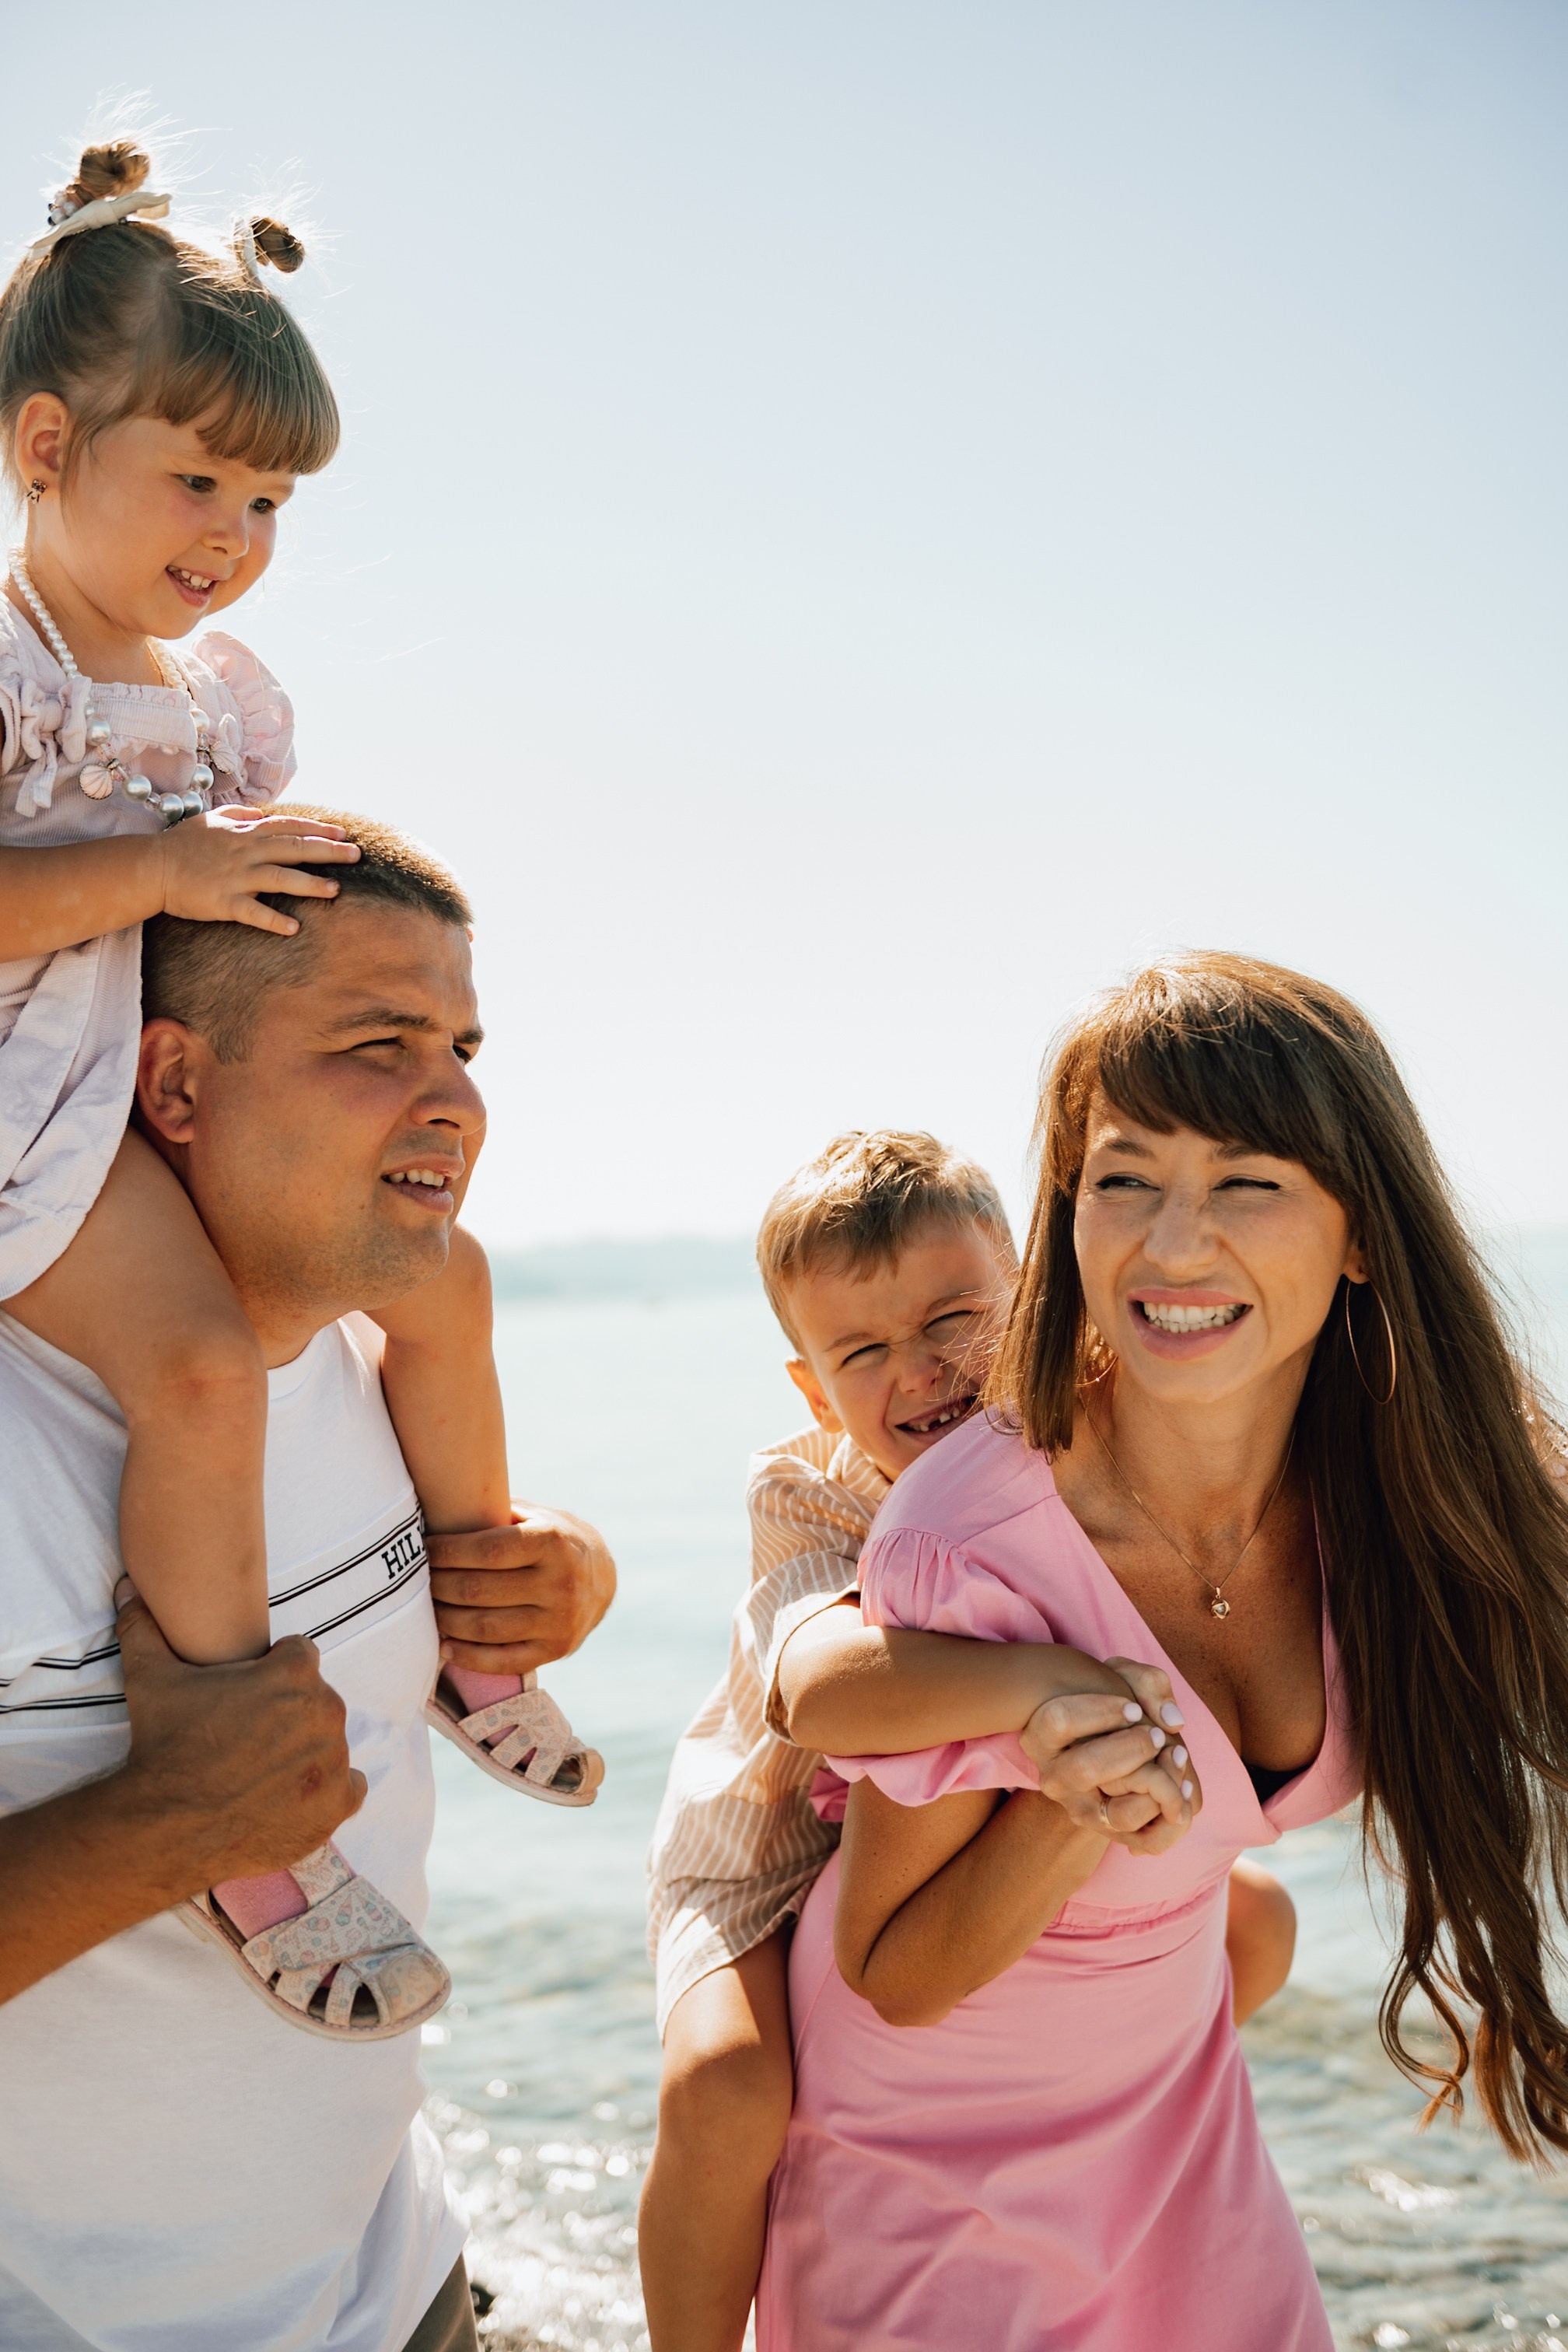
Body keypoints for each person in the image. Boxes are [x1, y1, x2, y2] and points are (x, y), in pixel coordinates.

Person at [0, 133, 598, 2041]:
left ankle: (472, 1623)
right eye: (199, 478)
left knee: (445, 1279)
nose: (236, 528)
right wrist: (165, 871)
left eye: (266, 496)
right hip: (26, 1111)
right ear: (40, 452)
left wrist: (263, 855)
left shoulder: (202, 696)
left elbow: (218, 901)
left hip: (118, 1081)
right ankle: (231, 1796)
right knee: (187, 1370)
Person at [755, 954, 1568, 2352]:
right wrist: (1075, 1811)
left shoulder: (1423, 1476)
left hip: (1178, 2125)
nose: (1172, 1246)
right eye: (1122, 1180)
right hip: (928, 2167)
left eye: (1247, 1181)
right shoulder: (972, 1540)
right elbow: (894, 1975)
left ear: (1362, 1231)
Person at [0, 808, 614, 2350]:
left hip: (394, 2284)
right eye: (380, 1044)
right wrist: (159, 1830)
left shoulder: (374, 1346)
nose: (459, 1099)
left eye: (465, 1047)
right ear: (176, 1083)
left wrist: (564, 1573)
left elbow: (449, 1579)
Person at [639, 1129, 1297, 2352]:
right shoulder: (816, 1488)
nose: (922, 1372)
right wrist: (1060, 1685)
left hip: (933, 1834)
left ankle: (1073, 2149)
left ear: (1036, 1296)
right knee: (725, 2090)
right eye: (863, 1352)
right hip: (764, 1856)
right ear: (811, 1389)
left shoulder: (1076, 1451)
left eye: (955, 1320)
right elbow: (823, 1692)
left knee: (1255, 1927)